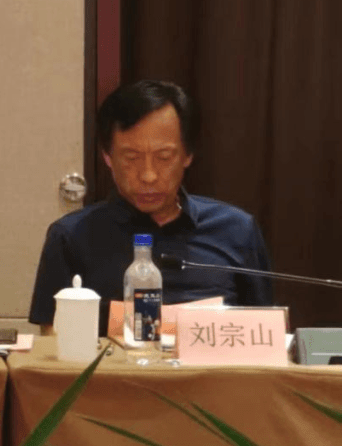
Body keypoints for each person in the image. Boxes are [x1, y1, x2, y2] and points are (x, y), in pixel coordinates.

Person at [29, 80, 272, 336]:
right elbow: (54, 343)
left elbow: (266, 334)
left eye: (164, 157)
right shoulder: (70, 237)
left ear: (188, 155)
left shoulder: (237, 230)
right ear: (107, 156)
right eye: (131, 158)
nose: (148, 175)